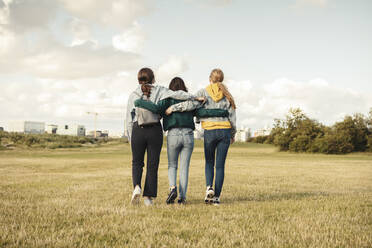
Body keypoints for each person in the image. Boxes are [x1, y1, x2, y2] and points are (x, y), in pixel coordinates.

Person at [134, 77, 229, 204]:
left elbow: (156, 109)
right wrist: (222, 112)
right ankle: (182, 198)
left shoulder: (167, 98)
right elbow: (203, 112)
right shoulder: (190, 98)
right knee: (184, 168)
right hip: (188, 135)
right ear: (184, 87)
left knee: (172, 165)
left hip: (173, 134)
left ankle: (173, 188)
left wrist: (139, 102)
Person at [126, 68, 203, 206]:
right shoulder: (160, 90)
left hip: (138, 129)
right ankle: (148, 198)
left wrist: (131, 138)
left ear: (138, 79)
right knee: (152, 164)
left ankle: (137, 186)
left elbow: (128, 119)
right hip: (155, 129)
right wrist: (194, 97)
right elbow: (178, 94)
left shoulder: (133, 95)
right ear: (153, 79)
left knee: (137, 162)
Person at [169, 69, 236, 205]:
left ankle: (208, 187)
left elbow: (191, 104)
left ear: (210, 79)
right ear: (221, 79)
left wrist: (174, 108)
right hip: (225, 131)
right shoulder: (227, 93)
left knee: (209, 162)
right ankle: (216, 198)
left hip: (210, 131)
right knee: (220, 166)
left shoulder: (203, 92)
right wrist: (233, 134)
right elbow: (233, 117)